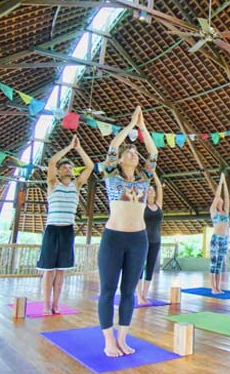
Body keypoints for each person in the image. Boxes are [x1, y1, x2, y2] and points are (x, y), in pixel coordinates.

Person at [98, 106, 157, 357]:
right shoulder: (111, 174)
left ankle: (123, 338)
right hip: (113, 238)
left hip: (138, 240)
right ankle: (108, 341)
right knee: (108, 290)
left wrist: (142, 128)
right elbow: (113, 146)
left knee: (129, 291)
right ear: (121, 159)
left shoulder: (144, 179)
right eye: (129, 152)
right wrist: (130, 125)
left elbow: (153, 152)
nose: (133, 154)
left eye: (135, 152)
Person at [37, 135, 94, 315]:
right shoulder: (53, 183)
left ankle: (55, 304)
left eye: (70, 167)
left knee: (61, 270)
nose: (68, 169)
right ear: (59, 172)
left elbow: (90, 166)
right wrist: (69, 146)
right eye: (65, 167)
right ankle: (46, 305)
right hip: (52, 229)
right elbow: (52, 161)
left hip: (67, 230)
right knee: (48, 270)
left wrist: (79, 149)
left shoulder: (77, 185)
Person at [136, 172, 163, 305]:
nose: (151, 190)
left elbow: (159, 187)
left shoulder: (158, 205)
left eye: (152, 189)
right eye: (149, 189)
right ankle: (139, 296)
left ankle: (145, 295)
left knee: (150, 268)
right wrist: (144, 181)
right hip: (143, 239)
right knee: (140, 267)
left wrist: (154, 174)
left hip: (156, 240)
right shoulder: (142, 206)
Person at [209, 172, 230, 294]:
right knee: (213, 264)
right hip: (216, 239)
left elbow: (227, 198)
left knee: (220, 264)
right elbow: (218, 196)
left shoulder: (225, 211)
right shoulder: (213, 211)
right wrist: (221, 182)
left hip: (224, 239)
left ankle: (218, 287)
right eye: (218, 200)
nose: (221, 200)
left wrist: (225, 184)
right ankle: (213, 288)